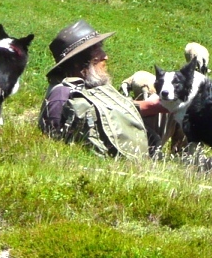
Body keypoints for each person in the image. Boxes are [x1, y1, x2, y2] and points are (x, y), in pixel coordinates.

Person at [38, 19, 168, 158]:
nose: (105, 56)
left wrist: (147, 106)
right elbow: (53, 144)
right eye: (98, 52)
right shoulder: (61, 95)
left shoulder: (89, 85)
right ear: (79, 63)